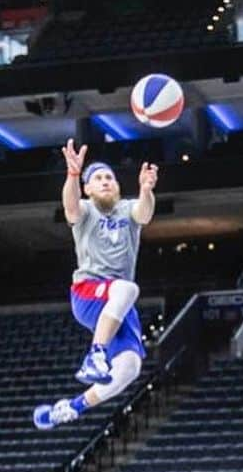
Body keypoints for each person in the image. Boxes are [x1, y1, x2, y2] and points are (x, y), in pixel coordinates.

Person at [33, 139, 158, 429]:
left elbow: (145, 213)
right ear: (88, 188)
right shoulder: (87, 210)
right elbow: (71, 207)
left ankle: (70, 408)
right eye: (98, 178)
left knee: (130, 367)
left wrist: (146, 190)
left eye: (110, 178)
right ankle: (96, 354)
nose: (105, 182)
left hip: (117, 303)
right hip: (88, 293)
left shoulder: (127, 209)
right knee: (127, 288)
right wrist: (74, 176)